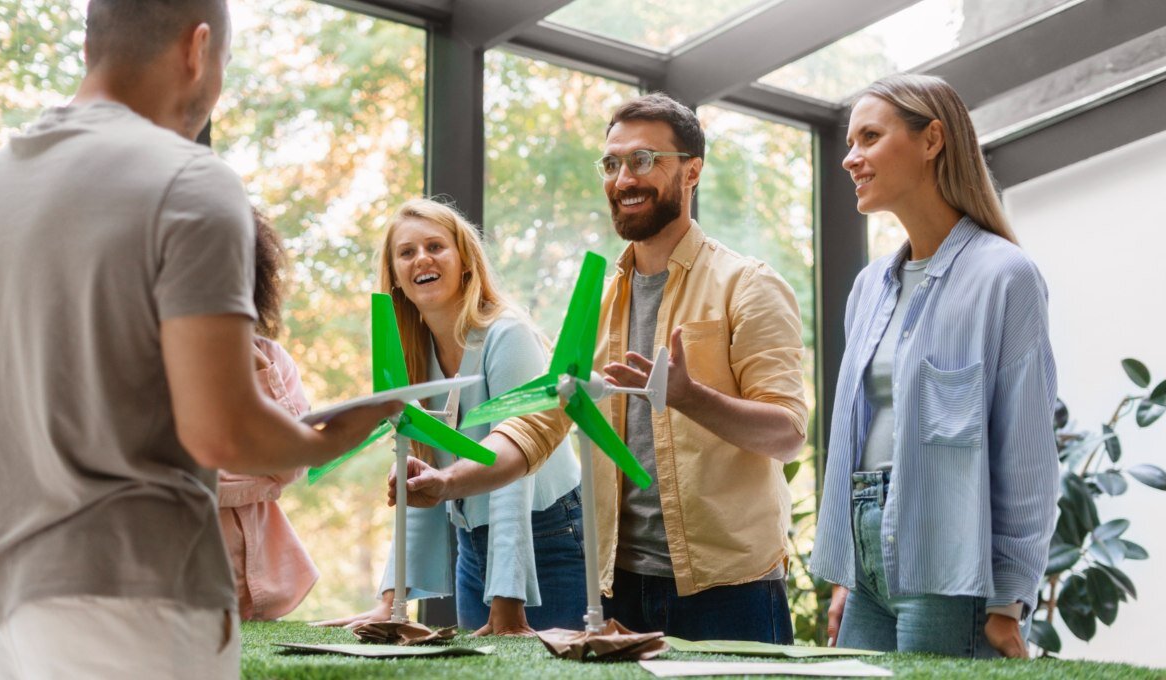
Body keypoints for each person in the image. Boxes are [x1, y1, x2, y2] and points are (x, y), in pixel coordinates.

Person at [0, 1, 399, 677]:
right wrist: (336, 435)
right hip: (132, 605)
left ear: (91, 47)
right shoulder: (192, 182)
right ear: (198, 50)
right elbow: (223, 433)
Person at [390, 94, 809, 642]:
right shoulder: (600, 299)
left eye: (643, 160)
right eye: (611, 164)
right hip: (617, 590)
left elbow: (788, 432)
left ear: (692, 171)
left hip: (730, 593)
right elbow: (536, 425)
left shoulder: (748, 286)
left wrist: (689, 396)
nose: (623, 178)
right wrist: (447, 480)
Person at [809, 74, 1058, 659]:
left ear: (932, 139)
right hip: (868, 563)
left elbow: (1026, 452)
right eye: (850, 141)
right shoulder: (870, 286)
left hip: (953, 570)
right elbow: (861, 435)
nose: (850, 158)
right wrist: (851, 571)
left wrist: (1008, 602)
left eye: (869, 137)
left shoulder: (1005, 276)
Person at [315, 198, 586, 634]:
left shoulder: (507, 333)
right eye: (406, 252)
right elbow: (420, 478)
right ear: (398, 278)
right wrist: (392, 601)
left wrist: (508, 604)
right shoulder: (411, 355)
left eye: (436, 246)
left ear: (464, 262)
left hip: (547, 537)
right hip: (475, 546)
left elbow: (514, 472)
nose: (422, 258)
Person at [217, 210, 320, 622]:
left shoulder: (273, 359)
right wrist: (256, 476)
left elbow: (291, 465)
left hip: (262, 593)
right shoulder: (150, 361)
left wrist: (256, 364)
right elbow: (176, 478)